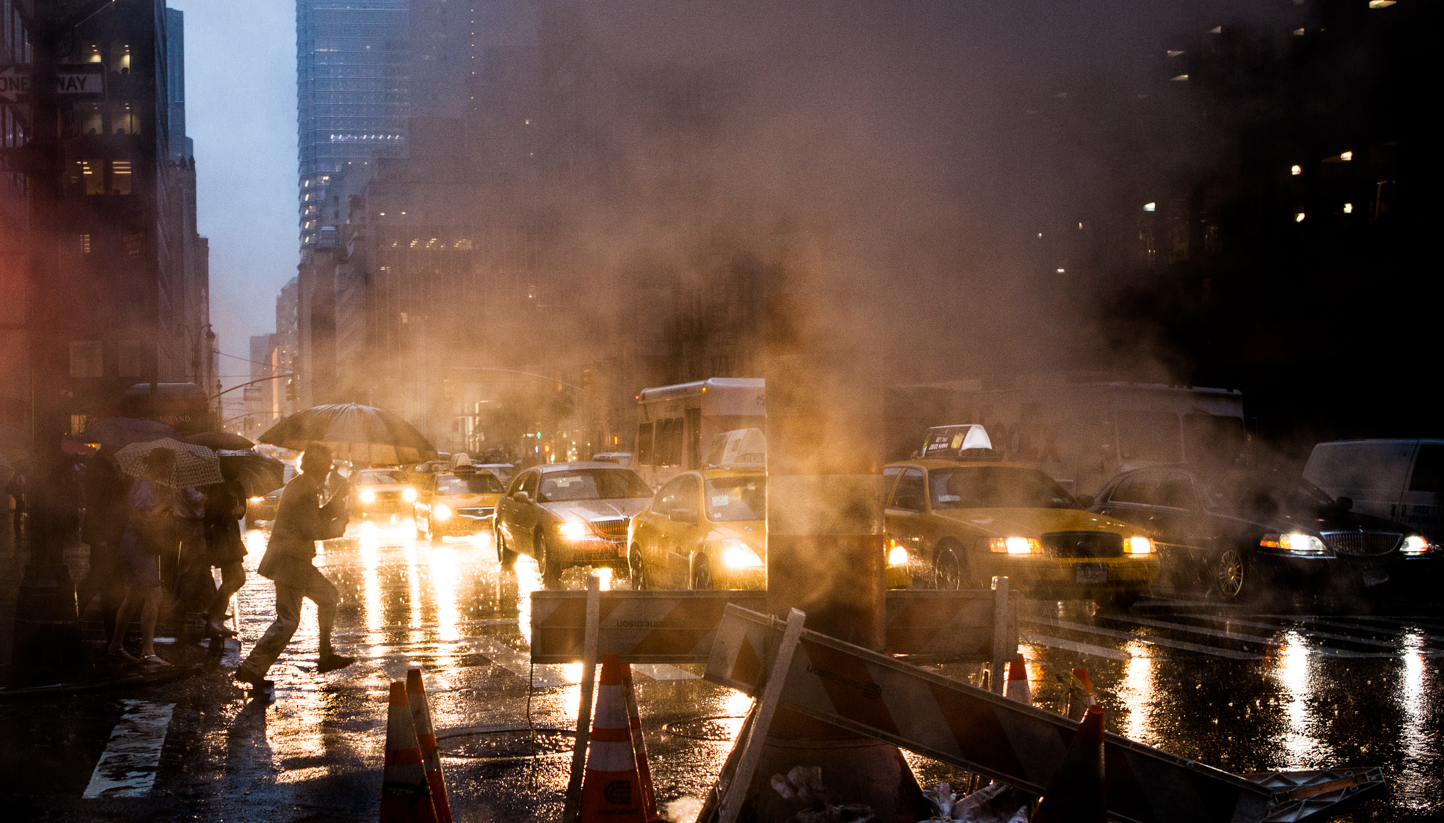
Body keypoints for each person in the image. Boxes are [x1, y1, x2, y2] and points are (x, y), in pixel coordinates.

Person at [235, 444, 355, 688]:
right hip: (290, 562)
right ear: (319, 467)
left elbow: (312, 517)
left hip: (296, 561)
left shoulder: (304, 486)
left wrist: (336, 500)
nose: (329, 469)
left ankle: (325, 655)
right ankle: (252, 667)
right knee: (288, 620)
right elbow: (310, 528)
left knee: (328, 597)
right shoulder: (304, 489)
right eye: (327, 465)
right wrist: (338, 525)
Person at [108, 448, 175, 666]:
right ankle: (148, 651)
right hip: (139, 545)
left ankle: (116, 646)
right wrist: (165, 504)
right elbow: (144, 515)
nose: (170, 469)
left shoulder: (143, 483)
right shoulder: (146, 484)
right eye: (168, 465)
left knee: (133, 596)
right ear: (159, 464)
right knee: (154, 594)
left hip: (132, 543)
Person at [203, 478, 247, 637]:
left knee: (231, 579)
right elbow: (212, 512)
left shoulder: (236, 484)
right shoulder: (217, 484)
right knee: (237, 578)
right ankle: (214, 616)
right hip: (223, 537)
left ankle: (214, 617)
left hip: (231, 535)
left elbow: (241, 511)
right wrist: (232, 512)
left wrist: (241, 508)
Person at [173, 485, 216, 622]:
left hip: (191, 525)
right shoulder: (186, 482)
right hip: (190, 525)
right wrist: (207, 495)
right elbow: (195, 499)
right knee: (191, 568)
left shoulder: (183, 480)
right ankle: (177, 607)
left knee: (202, 568)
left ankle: (214, 607)